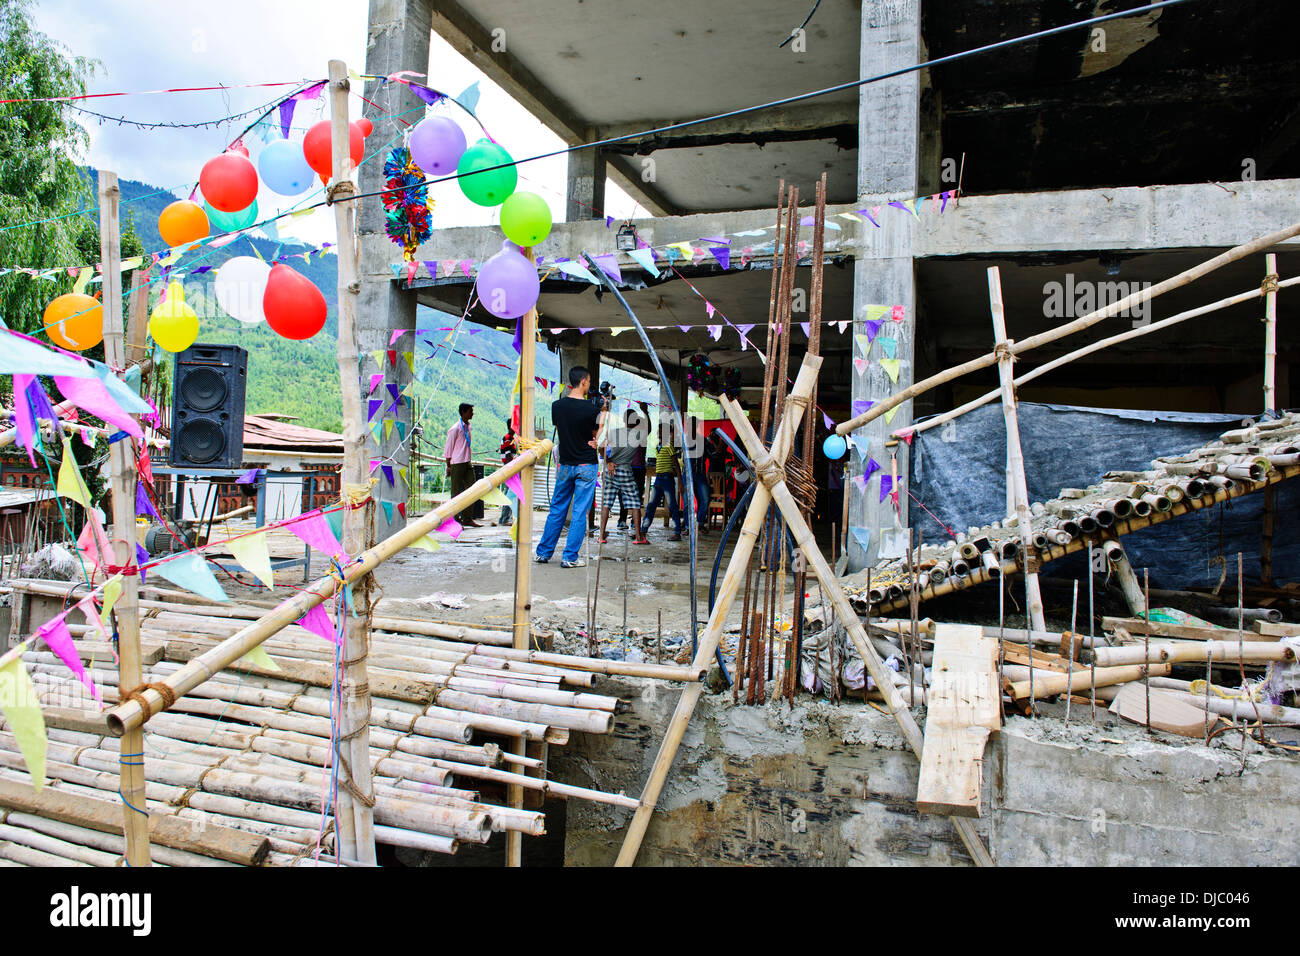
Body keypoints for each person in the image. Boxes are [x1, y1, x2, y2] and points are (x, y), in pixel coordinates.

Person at [535, 365, 606, 568]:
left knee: (557, 509)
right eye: (589, 381)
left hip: (565, 464)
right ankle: (569, 557)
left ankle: (543, 553)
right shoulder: (592, 409)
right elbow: (596, 436)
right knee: (579, 512)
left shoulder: (557, 406)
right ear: (583, 381)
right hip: (586, 465)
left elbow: (561, 430)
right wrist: (603, 414)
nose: (589, 384)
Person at [598, 409, 649, 545]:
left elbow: (600, 447)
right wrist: (646, 412)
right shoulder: (638, 434)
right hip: (626, 471)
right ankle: (638, 537)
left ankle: (601, 536)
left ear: (624, 420)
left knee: (606, 503)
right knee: (635, 504)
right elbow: (648, 428)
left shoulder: (614, 432)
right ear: (636, 421)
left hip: (611, 471)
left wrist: (608, 461)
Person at [641, 420, 683, 541]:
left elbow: (675, 463)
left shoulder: (669, 445)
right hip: (659, 479)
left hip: (667, 478)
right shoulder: (658, 446)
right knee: (651, 505)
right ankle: (643, 530)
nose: (658, 433)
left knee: (672, 506)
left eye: (660, 431)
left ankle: (677, 532)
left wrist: (680, 481)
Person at [442, 402, 479, 528]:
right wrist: (448, 465)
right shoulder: (455, 428)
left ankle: (467, 518)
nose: (472, 414)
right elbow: (448, 448)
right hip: (456, 463)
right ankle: (455, 520)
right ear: (463, 412)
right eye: (470, 411)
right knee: (456, 492)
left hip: (467, 461)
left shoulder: (468, 427)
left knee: (472, 490)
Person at [618, 401, 650, 531]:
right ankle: (622, 520)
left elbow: (649, 428)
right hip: (626, 467)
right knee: (623, 495)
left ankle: (634, 521)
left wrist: (646, 412)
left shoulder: (641, 432)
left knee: (636, 495)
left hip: (638, 468)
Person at [683, 416, 709, 534]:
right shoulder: (682, 440)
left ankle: (699, 524)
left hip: (700, 474)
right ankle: (688, 527)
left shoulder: (703, 440)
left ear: (696, 426)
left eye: (692, 424)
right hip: (687, 475)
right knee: (688, 502)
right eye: (688, 424)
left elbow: (714, 454)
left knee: (705, 499)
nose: (689, 427)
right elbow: (675, 456)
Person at [498, 420, 517, 526]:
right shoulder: (508, 438)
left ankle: (505, 518)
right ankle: (505, 519)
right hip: (509, 468)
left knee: (508, 493)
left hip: (508, 468)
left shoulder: (510, 438)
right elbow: (509, 456)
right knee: (509, 494)